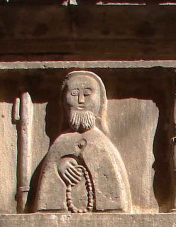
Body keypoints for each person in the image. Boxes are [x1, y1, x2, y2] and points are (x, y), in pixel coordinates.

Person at [30, 71, 131, 213]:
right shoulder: (61, 142)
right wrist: (60, 166)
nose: (81, 100)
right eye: (74, 94)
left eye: (87, 94)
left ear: (100, 101)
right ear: (64, 101)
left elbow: (113, 195)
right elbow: (47, 199)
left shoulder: (101, 142)